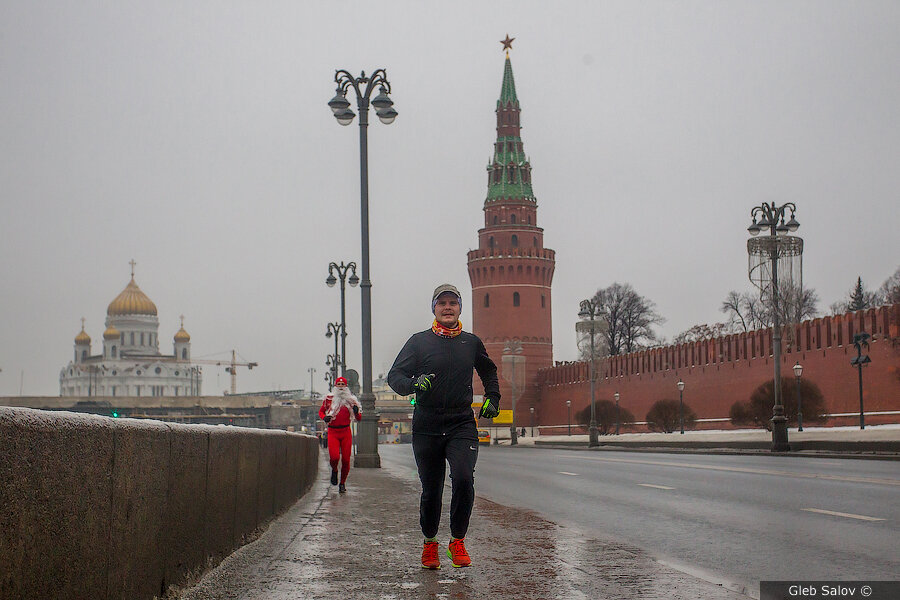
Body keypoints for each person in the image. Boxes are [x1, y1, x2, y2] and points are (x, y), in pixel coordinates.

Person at [387, 283, 500, 569]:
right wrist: (414, 384)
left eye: (453, 303)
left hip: (462, 422)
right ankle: (429, 543)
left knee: (463, 478)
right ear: (434, 309)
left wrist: (493, 397)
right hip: (427, 424)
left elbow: (488, 370)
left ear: (460, 308)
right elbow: (395, 376)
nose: (447, 308)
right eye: (442, 303)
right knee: (432, 489)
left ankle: (458, 541)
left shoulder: (471, 342)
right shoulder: (419, 342)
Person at [318, 376, 362, 493]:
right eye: (339, 384)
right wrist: (325, 418)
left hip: (346, 432)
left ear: (346, 387)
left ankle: (342, 483)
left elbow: (359, 418)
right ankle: (334, 471)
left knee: (346, 460)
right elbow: (321, 411)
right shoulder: (329, 399)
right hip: (333, 432)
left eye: (343, 384)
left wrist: (357, 413)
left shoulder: (352, 401)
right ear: (335, 386)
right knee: (334, 457)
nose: (341, 387)